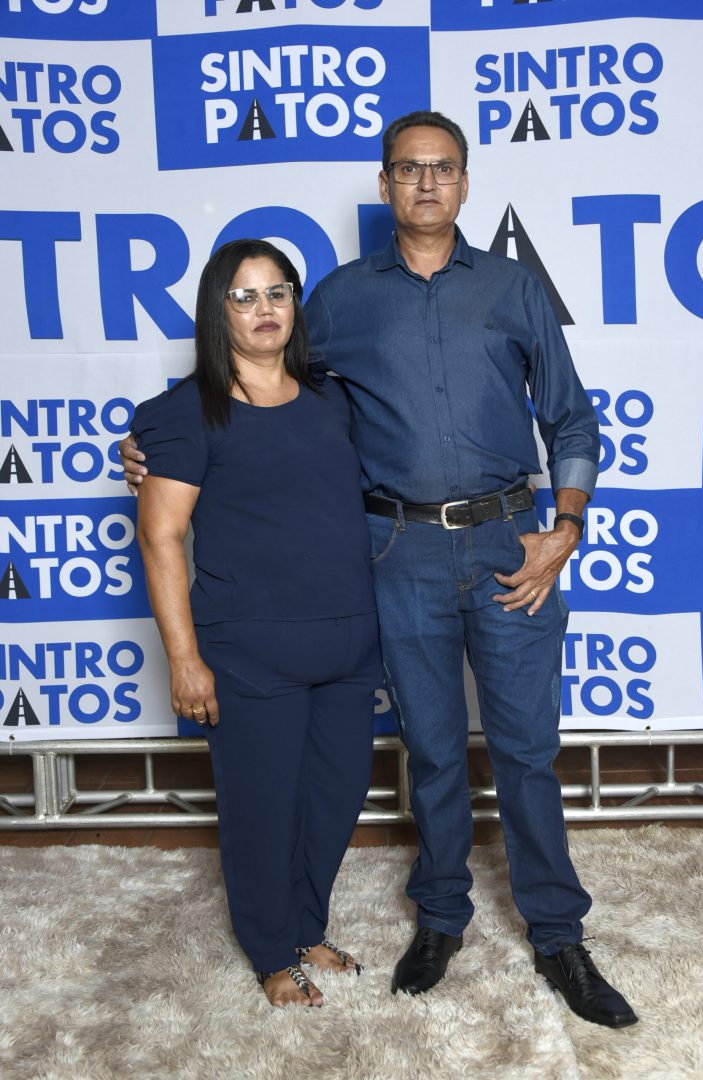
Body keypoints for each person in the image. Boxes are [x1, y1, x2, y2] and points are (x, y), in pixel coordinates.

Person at [123, 112, 637, 1029]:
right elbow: (259, 384)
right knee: (431, 752)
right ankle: (440, 918)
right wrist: (156, 448)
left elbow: (573, 420)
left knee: (525, 753)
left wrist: (565, 526)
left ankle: (559, 935)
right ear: (385, 184)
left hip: (510, 544)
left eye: (442, 168)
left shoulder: (515, 288)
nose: (426, 183)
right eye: (408, 169)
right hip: (397, 554)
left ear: (466, 183)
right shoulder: (337, 299)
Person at [131, 238, 381, 1008]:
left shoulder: (334, 399)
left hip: (348, 644)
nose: (264, 308)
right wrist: (184, 659)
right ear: (219, 311)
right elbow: (160, 538)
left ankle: (305, 927)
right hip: (248, 652)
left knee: (335, 799)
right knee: (261, 811)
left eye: (278, 292)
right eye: (244, 296)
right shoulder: (185, 413)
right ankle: (270, 950)